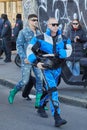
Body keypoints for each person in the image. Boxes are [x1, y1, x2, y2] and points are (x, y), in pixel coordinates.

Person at [26, 17, 72, 127]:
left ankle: (41, 105)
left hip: (58, 68)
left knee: (50, 90)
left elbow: (70, 50)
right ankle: (57, 117)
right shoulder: (40, 38)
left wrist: (64, 53)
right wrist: (36, 62)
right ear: (48, 25)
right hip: (46, 69)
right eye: (53, 24)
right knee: (53, 90)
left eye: (57, 24)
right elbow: (29, 49)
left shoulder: (64, 39)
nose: (55, 26)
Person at [8, 14, 43, 108]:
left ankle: (39, 102)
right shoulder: (23, 32)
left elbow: (42, 46)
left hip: (36, 60)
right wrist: (24, 58)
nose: (35, 21)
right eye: (33, 20)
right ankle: (13, 92)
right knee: (24, 81)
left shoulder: (39, 33)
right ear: (28, 21)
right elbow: (18, 46)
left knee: (40, 79)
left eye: (36, 20)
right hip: (27, 60)